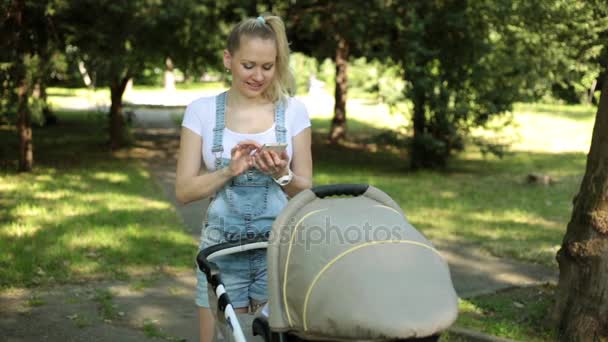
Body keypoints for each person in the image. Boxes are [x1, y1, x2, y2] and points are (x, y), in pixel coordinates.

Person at [175, 14, 313, 342]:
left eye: (268, 66)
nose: (258, 76)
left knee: (278, 337)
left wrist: (282, 174)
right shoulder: (201, 111)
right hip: (220, 255)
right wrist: (228, 171)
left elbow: (307, 189)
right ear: (228, 59)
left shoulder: (293, 111)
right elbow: (183, 191)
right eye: (248, 65)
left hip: (277, 249)